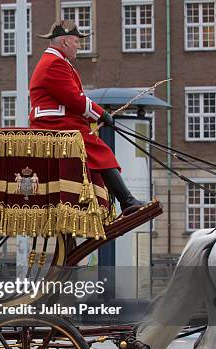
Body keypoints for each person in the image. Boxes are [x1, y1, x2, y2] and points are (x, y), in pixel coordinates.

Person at [29, 20, 144, 211]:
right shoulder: (54, 63)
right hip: (56, 124)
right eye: (76, 41)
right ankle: (127, 201)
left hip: (61, 121)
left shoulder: (55, 62)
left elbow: (74, 99)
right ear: (64, 42)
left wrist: (95, 116)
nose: (79, 46)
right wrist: (101, 115)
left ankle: (108, 205)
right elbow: (75, 99)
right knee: (100, 151)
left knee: (95, 159)